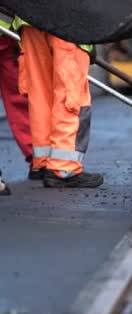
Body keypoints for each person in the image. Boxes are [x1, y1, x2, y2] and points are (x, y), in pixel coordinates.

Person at [13, 18, 103, 188]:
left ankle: (45, 162)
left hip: (29, 18)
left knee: (40, 96)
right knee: (70, 98)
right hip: (67, 18)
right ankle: (63, 169)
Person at [0, 16, 38, 179]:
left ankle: (38, 158)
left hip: (9, 35)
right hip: (8, 32)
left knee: (21, 95)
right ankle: (38, 157)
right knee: (20, 97)